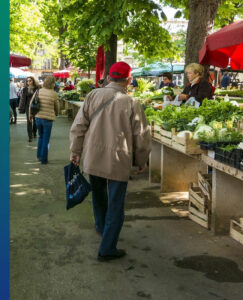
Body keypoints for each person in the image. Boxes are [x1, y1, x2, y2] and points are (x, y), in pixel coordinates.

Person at [69, 61, 151, 262]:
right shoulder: (132, 103)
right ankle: (107, 247)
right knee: (116, 203)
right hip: (118, 159)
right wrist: (141, 161)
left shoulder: (92, 95)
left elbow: (78, 126)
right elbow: (141, 136)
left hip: (93, 156)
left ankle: (101, 226)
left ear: (108, 78)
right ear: (129, 80)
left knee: (98, 195)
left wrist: (75, 151)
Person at [29, 76, 59, 164]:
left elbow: (31, 103)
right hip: (48, 119)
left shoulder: (38, 91)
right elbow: (57, 107)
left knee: (40, 137)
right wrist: (56, 113)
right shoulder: (54, 94)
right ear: (52, 84)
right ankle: (44, 159)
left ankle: (39, 156)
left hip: (38, 118)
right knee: (46, 139)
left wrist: (31, 115)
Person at [19, 76, 39, 142]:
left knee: (36, 121)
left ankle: (34, 132)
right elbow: (22, 99)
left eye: (30, 80)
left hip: (36, 107)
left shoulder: (37, 88)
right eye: (27, 81)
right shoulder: (25, 89)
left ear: (33, 81)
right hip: (28, 107)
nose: (28, 82)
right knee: (29, 121)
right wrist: (21, 108)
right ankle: (30, 137)